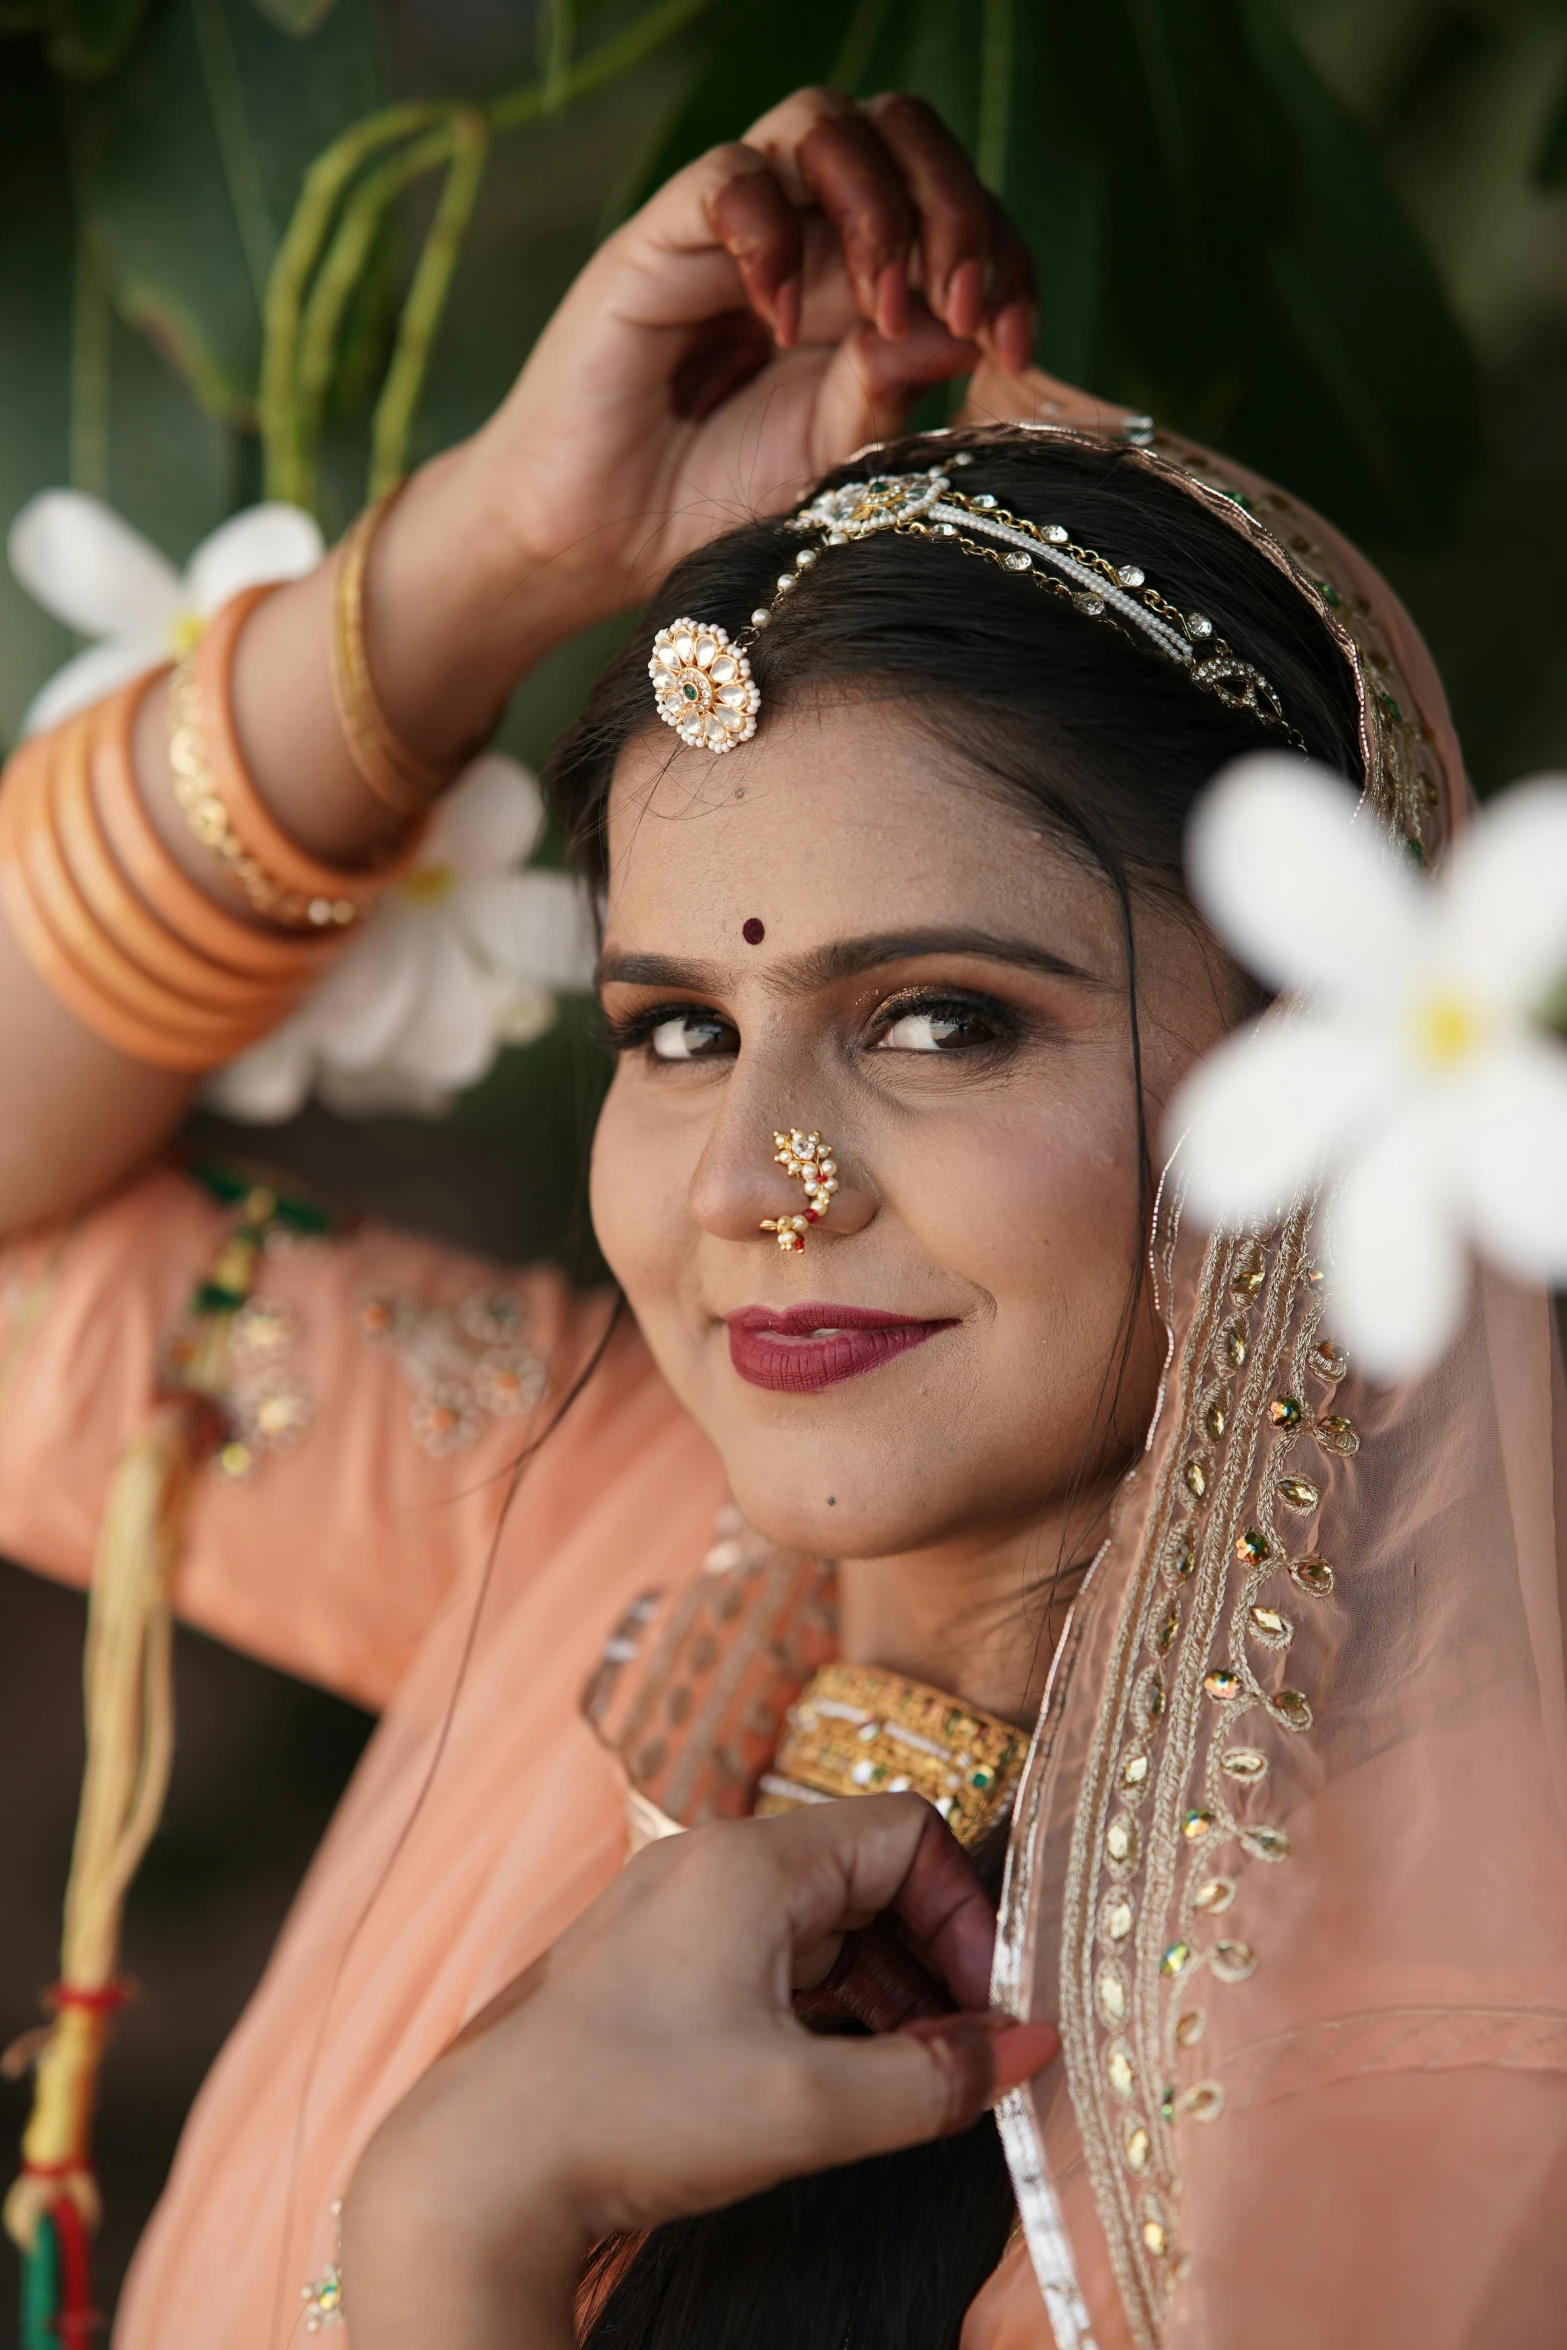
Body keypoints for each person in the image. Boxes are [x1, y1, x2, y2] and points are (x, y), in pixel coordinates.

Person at [0, 79, 1563, 2350]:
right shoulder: (625, 1563)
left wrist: (468, 2219)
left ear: (1316, 1049)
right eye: (676, 1031)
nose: (752, 1186)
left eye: (938, 1021)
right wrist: (497, 559)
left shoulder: (1408, 2084)